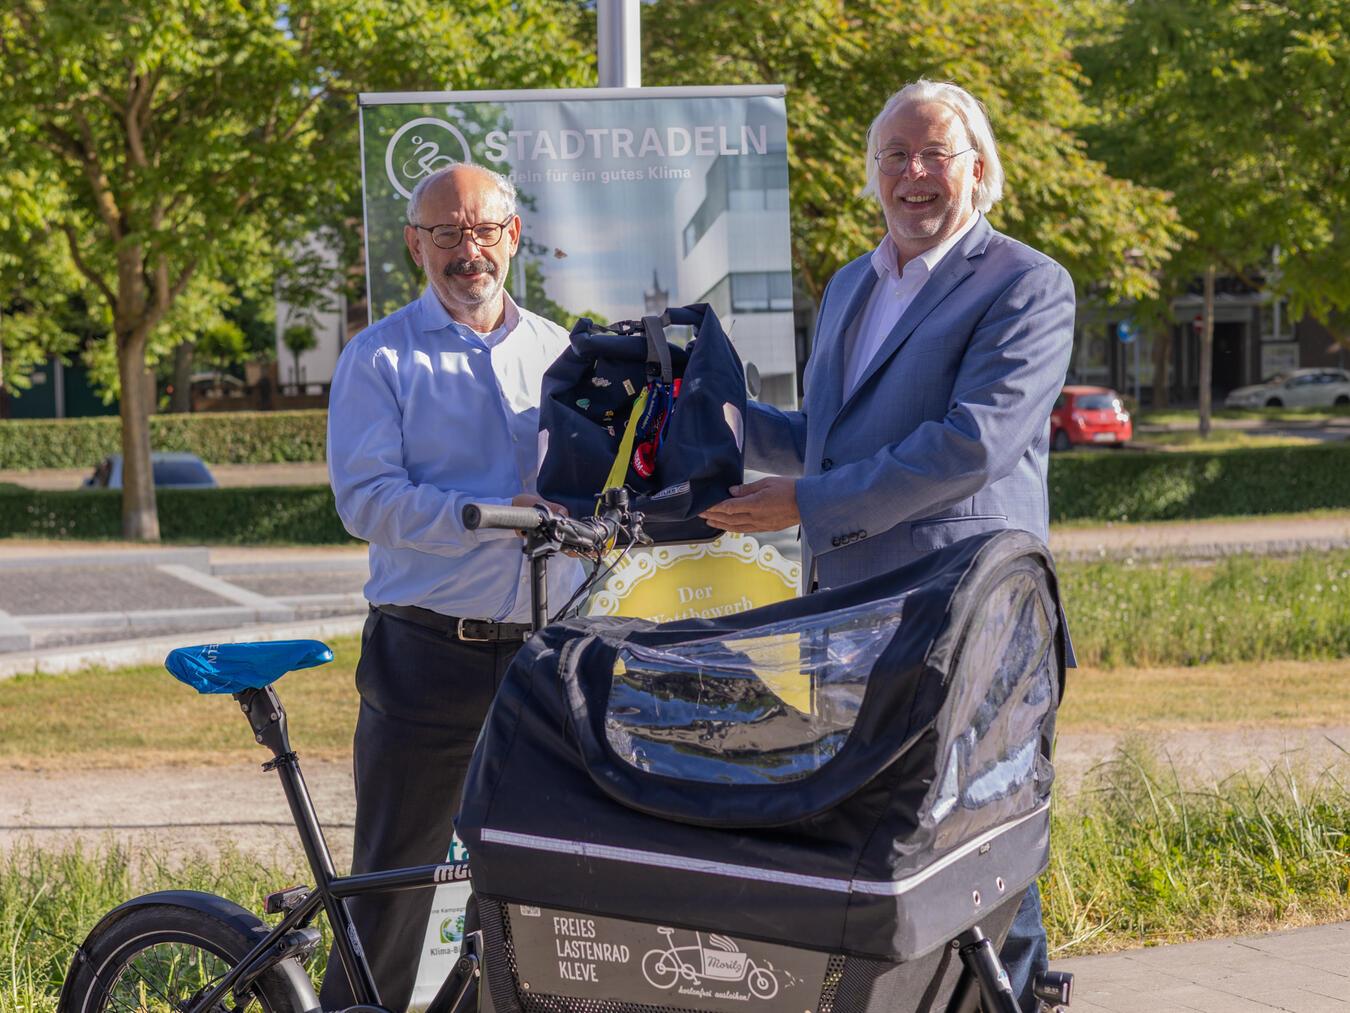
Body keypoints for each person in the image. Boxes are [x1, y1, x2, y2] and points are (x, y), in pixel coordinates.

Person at [701, 79, 1073, 1012]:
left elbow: (971, 445)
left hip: (966, 618)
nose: (913, 173)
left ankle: (1014, 1000)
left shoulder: (1027, 283)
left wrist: (806, 502)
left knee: (979, 842)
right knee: (875, 846)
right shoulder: (850, 284)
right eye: (894, 155)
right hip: (845, 618)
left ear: (978, 171)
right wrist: (718, 420)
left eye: (934, 153)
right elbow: (831, 437)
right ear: (873, 174)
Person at [324, 162, 580, 1010]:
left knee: (527, 883)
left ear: (513, 236)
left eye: (483, 230)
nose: (468, 250)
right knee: (393, 881)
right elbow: (367, 498)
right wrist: (490, 516)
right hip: (426, 655)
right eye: (446, 233)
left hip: (541, 655)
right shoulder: (379, 356)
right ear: (415, 245)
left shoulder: (559, 353)